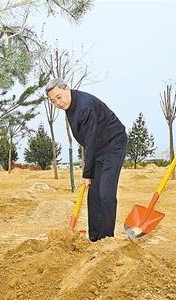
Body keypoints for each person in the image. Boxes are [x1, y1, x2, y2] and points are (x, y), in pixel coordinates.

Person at [45, 79, 127, 242]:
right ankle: (94, 238)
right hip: (97, 147)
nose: (58, 103)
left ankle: (106, 240)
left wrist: (87, 174)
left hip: (113, 145)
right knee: (94, 195)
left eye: (59, 97)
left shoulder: (85, 106)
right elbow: (88, 142)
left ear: (67, 88)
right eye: (53, 101)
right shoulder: (70, 106)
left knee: (106, 193)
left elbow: (89, 142)